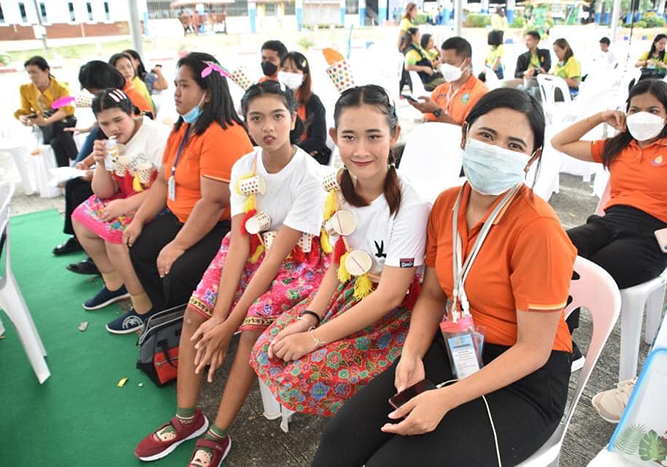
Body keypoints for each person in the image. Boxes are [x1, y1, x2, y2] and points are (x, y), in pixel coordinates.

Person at [313, 88, 576, 467]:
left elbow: (533, 350)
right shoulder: (447, 205)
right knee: (341, 439)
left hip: (522, 380)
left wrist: (444, 399)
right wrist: (411, 354)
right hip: (456, 345)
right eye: (487, 136)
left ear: (531, 158)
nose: (496, 150)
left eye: (514, 145)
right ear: (465, 136)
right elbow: (434, 294)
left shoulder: (539, 229)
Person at [134, 80, 327, 467]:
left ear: (293, 119)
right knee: (195, 314)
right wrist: (219, 315)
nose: (267, 127)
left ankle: (218, 434)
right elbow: (239, 242)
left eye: (277, 116)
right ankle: (187, 418)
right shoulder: (244, 166)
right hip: (249, 249)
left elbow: (276, 258)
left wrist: (231, 324)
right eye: (256, 118)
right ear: (246, 123)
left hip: (295, 263)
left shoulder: (311, 175)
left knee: (250, 332)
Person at [251, 84, 431, 417]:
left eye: (374, 136)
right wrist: (309, 318)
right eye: (349, 137)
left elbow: (391, 296)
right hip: (352, 292)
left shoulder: (412, 206)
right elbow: (339, 263)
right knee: (266, 350)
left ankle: (357, 419)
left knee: (300, 377)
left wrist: (313, 339)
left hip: (395, 314)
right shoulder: (338, 188)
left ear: (394, 135)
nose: (361, 150)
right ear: (334, 136)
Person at [551, 79, 667, 380]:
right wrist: (599, 117)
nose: (642, 116)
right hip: (608, 222)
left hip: (651, 234)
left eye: (652, 110)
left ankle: (560, 346)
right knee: (552, 252)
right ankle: (559, 341)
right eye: (635, 109)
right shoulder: (618, 146)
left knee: (588, 273)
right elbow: (559, 142)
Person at [111, 52, 253, 334]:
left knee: (177, 270)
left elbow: (213, 203)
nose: (176, 92)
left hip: (223, 226)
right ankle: (162, 317)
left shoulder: (223, 133)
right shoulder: (184, 127)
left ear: (208, 93)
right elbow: (164, 181)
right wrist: (139, 219)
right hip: (184, 216)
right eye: (176, 84)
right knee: (140, 248)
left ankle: (180, 331)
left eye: (184, 85)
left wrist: (178, 245)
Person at [71, 89, 171, 313]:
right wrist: (100, 163)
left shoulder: (156, 136)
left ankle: (142, 304)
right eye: (105, 124)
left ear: (132, 113)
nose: (113, 128)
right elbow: (104, 191)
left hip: (157, 202)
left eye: (118, 120)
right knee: (80, 217)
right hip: (128, 197)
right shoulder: (111, 142)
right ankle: (115, 284)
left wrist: (126, 205)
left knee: (114, 235)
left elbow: (165, 186)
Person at [408, 37, 489, 126]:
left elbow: (467, 132)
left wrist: (437, 112)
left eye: (450, 63)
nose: (446, 67)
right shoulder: (440, 90)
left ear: (467, 62)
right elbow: (429, 121)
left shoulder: (480, 94)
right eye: (443, 62)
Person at [14, 56, 78, 168]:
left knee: (56, 138)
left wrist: (46, 121)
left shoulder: (61, 87)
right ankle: (78, 160)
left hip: (64, 122)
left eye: (34, 72)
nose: (31, 76)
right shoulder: (26, 89)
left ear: (46, 71)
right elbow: (24, 110)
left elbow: (64, 110)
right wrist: (23, 118)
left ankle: (66, 169)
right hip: (46, 126)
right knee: (58, 133)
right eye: (29, 72)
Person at [278, 51, 332, 165]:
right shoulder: (273, 99)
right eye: (285, 70)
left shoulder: (313, 102)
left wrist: (294, 152)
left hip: (307, 160)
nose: (289, 74)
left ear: (304, 76)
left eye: (294, 71)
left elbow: (318, 139)